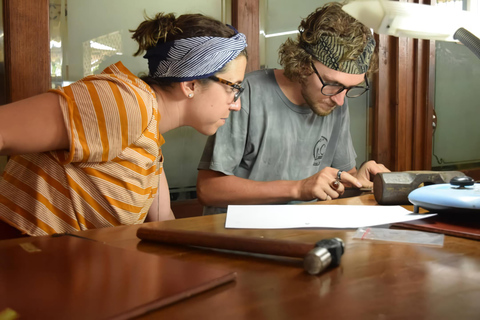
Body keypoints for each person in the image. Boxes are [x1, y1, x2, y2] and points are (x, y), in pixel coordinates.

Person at [0, 13, 247, 237]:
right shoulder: (126, 103)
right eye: (234, 87)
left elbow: (165, 228)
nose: (236, 104)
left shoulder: (149, 142)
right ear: (191, 84)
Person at [197, 2, 389, 215]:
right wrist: (298, 188)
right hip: (240, 238)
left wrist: (357, 181)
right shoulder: (246, 94)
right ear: (303, 64)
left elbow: (335, 180)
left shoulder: (335, 100)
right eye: (332, 83)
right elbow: (208, 189)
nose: (340, 100)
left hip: (304, 233)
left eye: (349, 88)